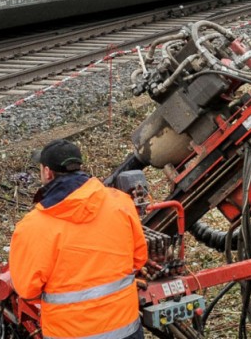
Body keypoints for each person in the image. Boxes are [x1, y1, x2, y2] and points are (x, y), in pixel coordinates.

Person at [9, 139, 148, 339]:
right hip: (124, 329)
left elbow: (27, 288)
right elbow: (139, 259)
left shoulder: (32, 227)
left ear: (47, 172)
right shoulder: (121, 204)